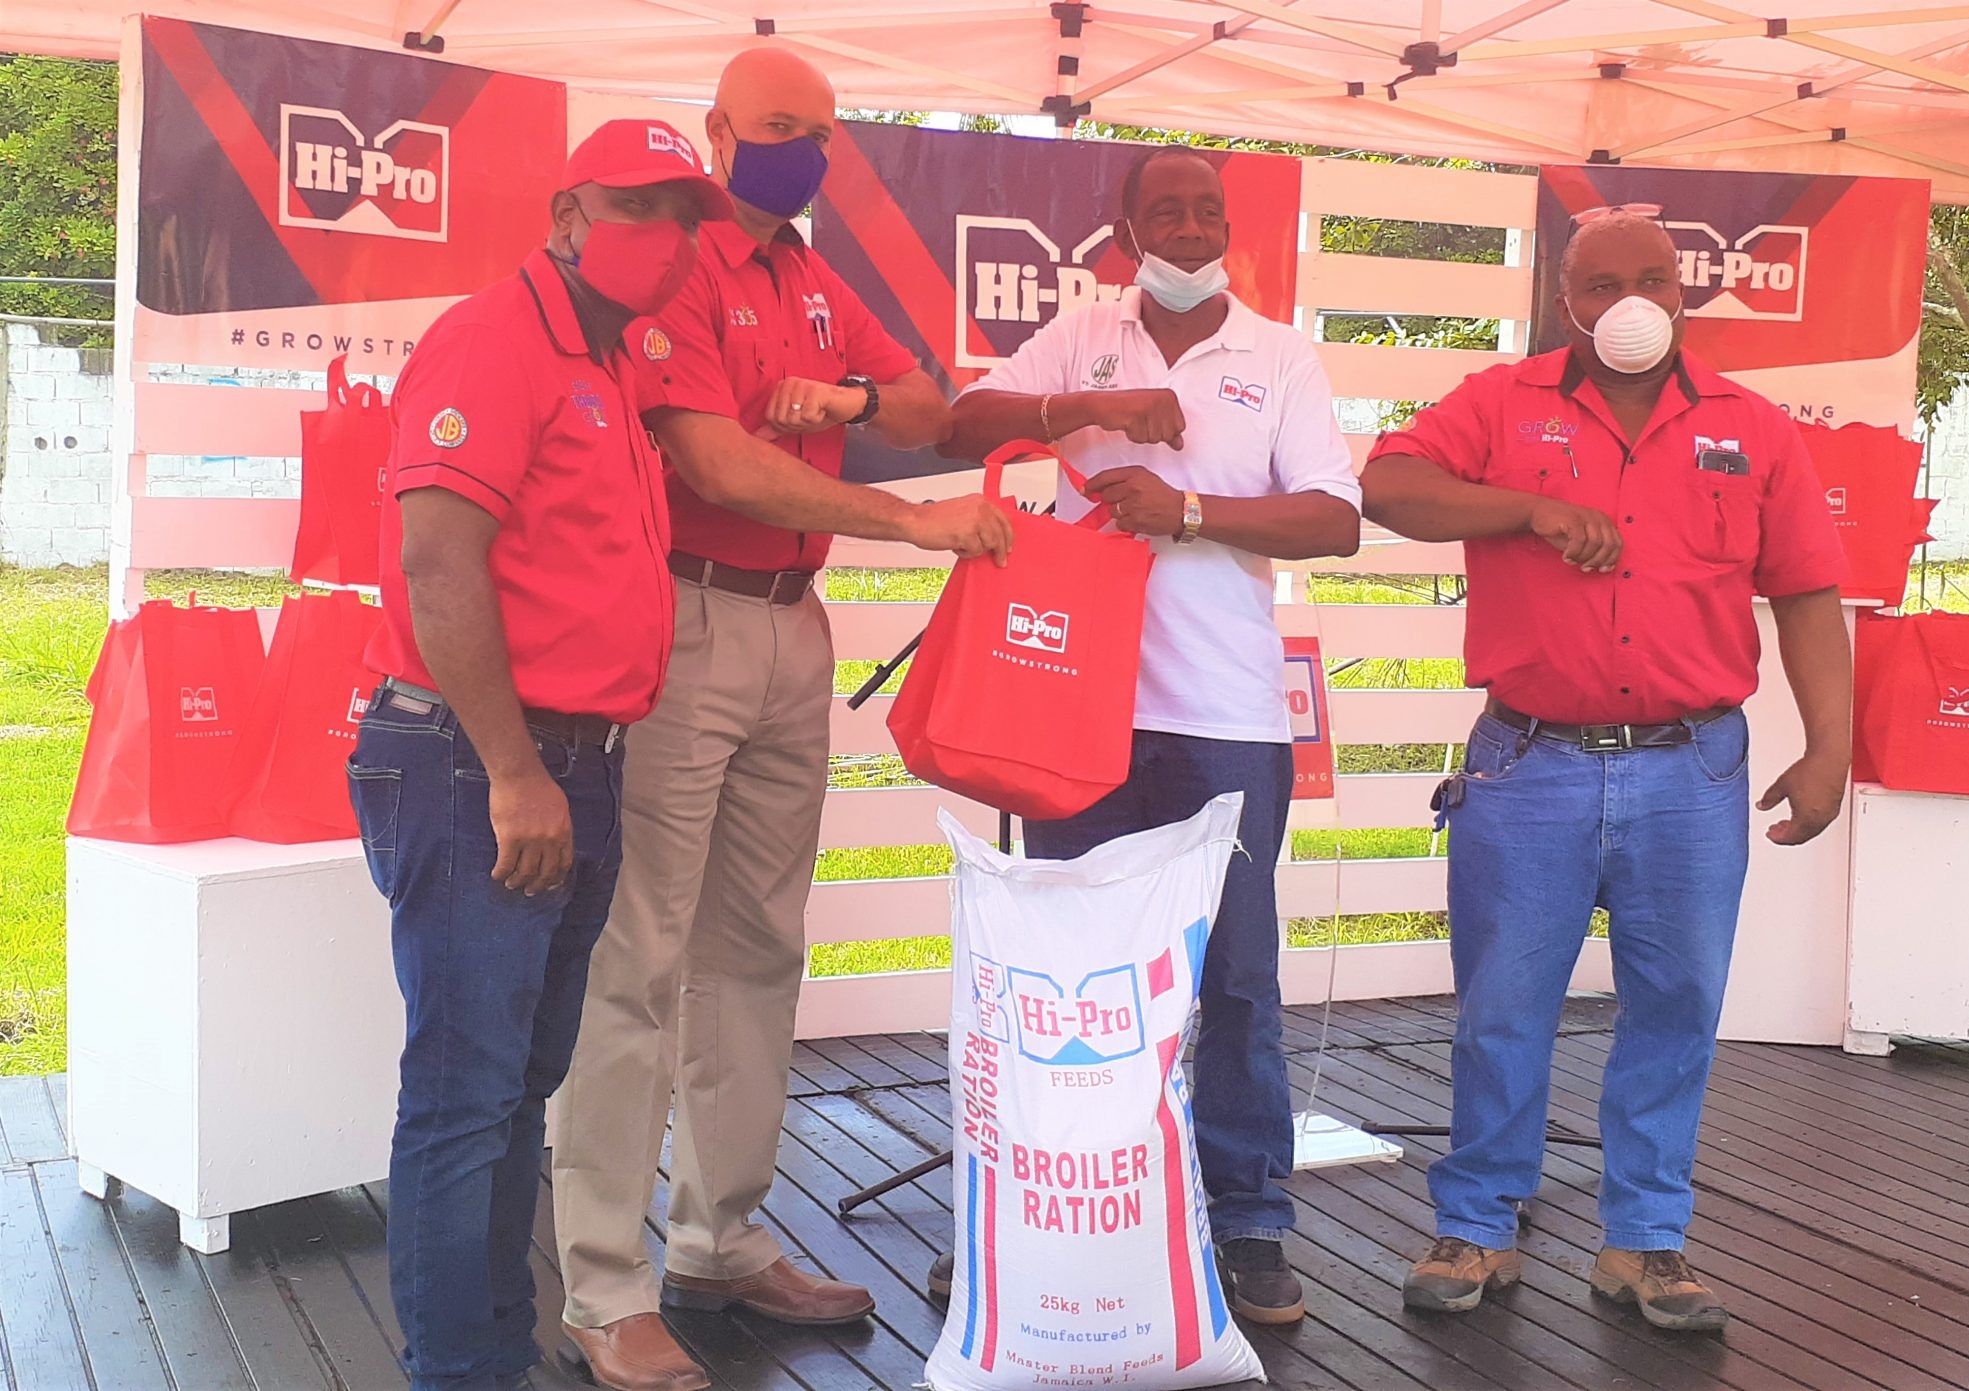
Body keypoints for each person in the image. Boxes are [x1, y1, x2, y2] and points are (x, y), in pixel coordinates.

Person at [549, 48, 1012, 1391]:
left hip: (791, 622)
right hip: (682, 616)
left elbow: (932, 400)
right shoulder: (677, 262)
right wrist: (909, 514)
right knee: (635, 954)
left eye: (816, 130)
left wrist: (859, 402)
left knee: (756, 943)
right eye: (772, 129)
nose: (796, 149)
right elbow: (712, 456)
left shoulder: (810, 274)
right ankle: (603, 1277)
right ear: (715, 134)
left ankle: (720, 1233)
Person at [1362, 210, 1850, 1332]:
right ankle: (1477, 1223)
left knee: (1674, 1004)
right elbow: (1386, 485)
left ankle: (1643, 1241)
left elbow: (1806, 595)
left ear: (1684, 291)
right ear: (1563, 299)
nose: (1627, 301)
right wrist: (1526, 507)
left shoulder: (1754, 427)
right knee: (1500, 1005)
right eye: (1599, 283)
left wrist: (1829, 748)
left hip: (1691, 769)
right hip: (1527, 761)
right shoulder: (1498, 402)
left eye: (1650, 279)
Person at [934, 145, 1364, 1326]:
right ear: (1121, 234)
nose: (1188, 226)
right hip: (1076, 707)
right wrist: (1088, 408)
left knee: (1231, 976)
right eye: (1163, 209)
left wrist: (1187, 511)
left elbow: (1333, 518)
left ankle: (1246, 1218)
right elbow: (962, 416)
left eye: (1206, 209)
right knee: (1073, 976)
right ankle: (1054, 1206)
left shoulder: (1278, 356)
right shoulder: (1081, 334)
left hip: (1227, 718)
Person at [349, 120, 732, 1391]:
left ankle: (491, 1349)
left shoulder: (611, 364)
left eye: (686, 216)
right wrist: (515, 770)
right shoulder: (495, 337)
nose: (667, 241)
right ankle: (460, 1368)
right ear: (569, 210)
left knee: (522, 1082)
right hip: (480, 764)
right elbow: (439, 560)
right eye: (641, 207)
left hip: (573, 761)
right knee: (466, 1090)